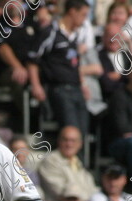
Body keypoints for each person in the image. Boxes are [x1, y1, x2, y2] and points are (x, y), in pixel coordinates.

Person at [27, 0, 91, 137]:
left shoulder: (75, 36)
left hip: (76, 88)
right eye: (83, 15)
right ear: (73, 11)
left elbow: (75, 63)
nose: (85, 20)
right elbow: (33, 60)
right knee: (70, 129)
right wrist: (36, 85)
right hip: (58, 88)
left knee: (83, 132)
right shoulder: (50, 32)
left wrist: (83, 84)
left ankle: (79, 159)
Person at [37, 126, 99, 201]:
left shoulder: (76, 161)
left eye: (73, 141)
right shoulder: (50, 161)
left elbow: (91, 188)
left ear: (80, 144)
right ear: (59, 141)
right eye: (65, 140)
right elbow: (65, 193)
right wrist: (92, 200)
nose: (69, 144)